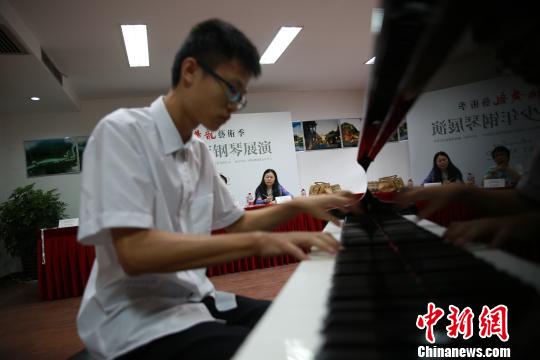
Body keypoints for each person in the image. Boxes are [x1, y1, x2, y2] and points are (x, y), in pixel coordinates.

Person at [76, 19, 357, 360]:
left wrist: (298, 205)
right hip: (135, 318)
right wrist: (257, 243)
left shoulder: (198, 152)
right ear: (191, 71)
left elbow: (236, 223)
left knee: (311, 326)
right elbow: (135, 252)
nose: (234, 106)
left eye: (241, 98)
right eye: (231, 90)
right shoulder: (122, 132)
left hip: (195, 300)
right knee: (279, 351)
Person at [398, 149, 540, 261]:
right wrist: (464, 191)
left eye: (443, 159)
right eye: (439, 161)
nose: (441, 162)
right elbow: (528, 199)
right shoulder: (433, 174)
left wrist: (464, 190)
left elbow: (527, 199)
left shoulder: (455, 171)